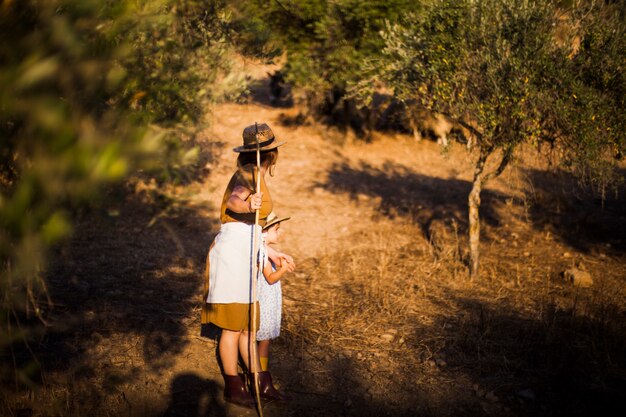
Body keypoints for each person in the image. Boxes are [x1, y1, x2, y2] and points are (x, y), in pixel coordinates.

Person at [203, 123, 294, 408]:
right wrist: (248, 204)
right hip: (233, 254)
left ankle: (258, 380)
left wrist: (268, 252)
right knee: (232, 328)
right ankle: (233, 386)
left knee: (246, 329)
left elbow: (254, 230)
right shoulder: (248, 173)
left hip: (248, 251)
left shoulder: (256, 175)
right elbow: (233, 202)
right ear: (272, 154)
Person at [256, 212, 294, 401]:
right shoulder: (261, 252)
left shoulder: (264, 251)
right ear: (263, 232)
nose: (280, 232)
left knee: (266, 340)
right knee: (263, 340)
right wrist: (283, 270)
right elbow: (270, 279)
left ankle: (261, 375)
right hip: (264, 302)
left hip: (269, 301)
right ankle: (261, 377)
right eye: (276, 229)